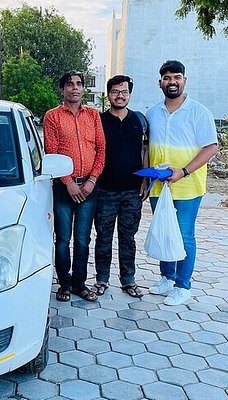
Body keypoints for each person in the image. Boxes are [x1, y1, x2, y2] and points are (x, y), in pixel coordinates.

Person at [146, 60, 218, 306]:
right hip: (159, 186)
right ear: (160, 83)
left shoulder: (199, 112)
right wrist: (145, 180)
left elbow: (211, 147)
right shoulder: (152, 113)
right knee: (164, 231)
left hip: (187, 186)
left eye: (176, 77)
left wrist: (184, 171)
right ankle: (167, 277)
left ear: (184, 80)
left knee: (184, 234)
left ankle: (183, 285)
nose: (172, 82)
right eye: (167, 78)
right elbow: (147, 147)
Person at [44, 70, 106, 302]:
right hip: (63, 189)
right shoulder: (53, 116)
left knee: (82, 239)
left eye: (79, 84)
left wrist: (91, 181)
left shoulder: (93, 116)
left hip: (89, 188)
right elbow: (52, 151)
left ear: (83, 89)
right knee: (62, 240)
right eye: (69, 84)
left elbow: (100, 150)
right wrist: (68, 182)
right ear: (62, 89)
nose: (75, 88)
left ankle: (80, 284)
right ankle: (63, 284)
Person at [93, 75, 149, 298]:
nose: (120, 95)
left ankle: (128, 280)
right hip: (105, 189)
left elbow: (145, 150)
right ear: (108, 95)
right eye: (115, 91)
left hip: (132, 191)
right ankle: (101, 279)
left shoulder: (139, 120)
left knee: (128, 237)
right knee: (103, 237)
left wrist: (145, 179)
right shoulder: (98, 120)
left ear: (130, 94)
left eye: (124, 91)